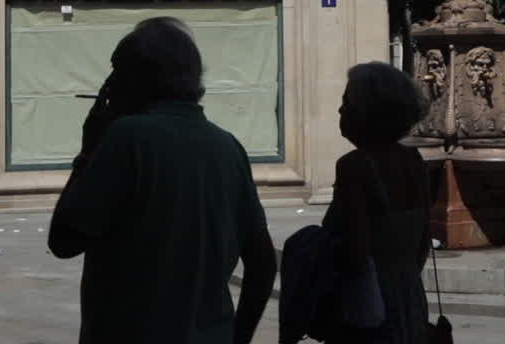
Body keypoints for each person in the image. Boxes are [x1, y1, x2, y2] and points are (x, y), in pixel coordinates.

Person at [47, 17, 276, 344]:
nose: (108, 84)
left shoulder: (126, 139)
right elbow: (263, 264)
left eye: (117, 70)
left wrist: (88, 152)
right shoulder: (228, 147)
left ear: (140, 78)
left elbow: (64, 241)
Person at [320, 62, 431, 344]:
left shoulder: (354, 167)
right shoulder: (414, 161)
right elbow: (423, 240)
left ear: (368, 112)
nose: (340, 111)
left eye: (347, 103)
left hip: (369, 305)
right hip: (410, 297)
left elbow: (355, 251)